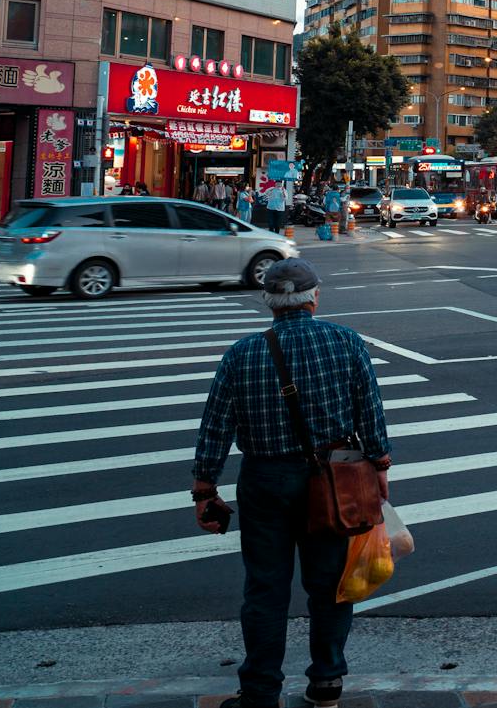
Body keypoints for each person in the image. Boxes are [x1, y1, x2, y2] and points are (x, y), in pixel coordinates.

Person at [192, 259, 393, 708]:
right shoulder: (345, 342)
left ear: (268, 302)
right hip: (334, 480)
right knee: (330, 584)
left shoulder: (241, 353)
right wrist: (379, 466)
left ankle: (261, 692)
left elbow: (216, 427)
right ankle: (327, 682)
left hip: (264, 478)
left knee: (265, 588)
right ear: (314, 297)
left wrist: (205, 488)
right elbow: (370, 412)